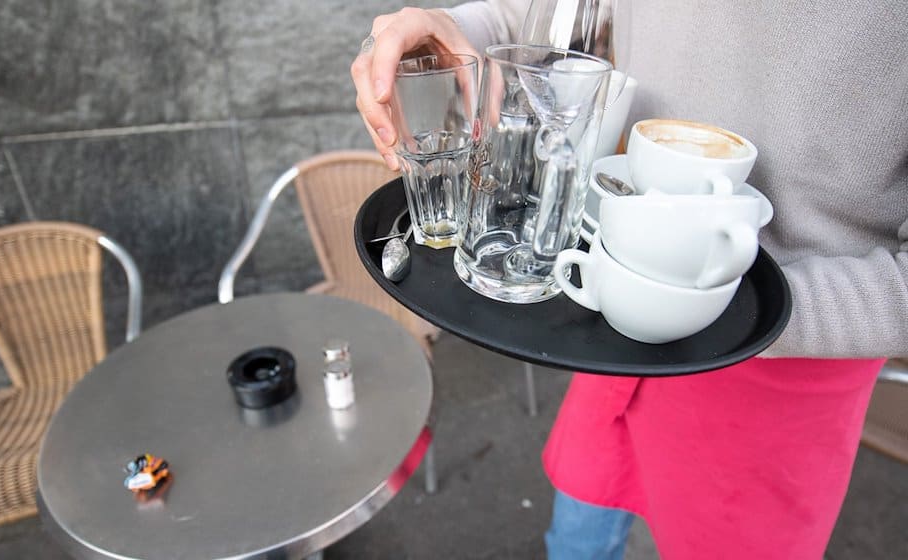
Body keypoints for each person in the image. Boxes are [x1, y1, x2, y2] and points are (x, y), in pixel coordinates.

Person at [351, 1, 908, 559]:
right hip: (605, 297)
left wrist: (707, 301)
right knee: (578, 535)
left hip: (785, 360)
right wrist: (447, 39)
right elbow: (536, 18)